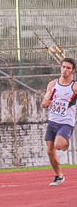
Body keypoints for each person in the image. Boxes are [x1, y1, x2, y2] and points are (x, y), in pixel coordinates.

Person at [41, 57, 77, 186]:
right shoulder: (53, 84)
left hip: (66, 121)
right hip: (53, 120)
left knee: (58, 145)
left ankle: (65, 143)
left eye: (68, 68)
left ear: (72, 71)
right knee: (50, 151)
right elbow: (46, 98)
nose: (65, 70)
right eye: (63, 67)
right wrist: (46, 102)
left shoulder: (75, 86)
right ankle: (59, 176)